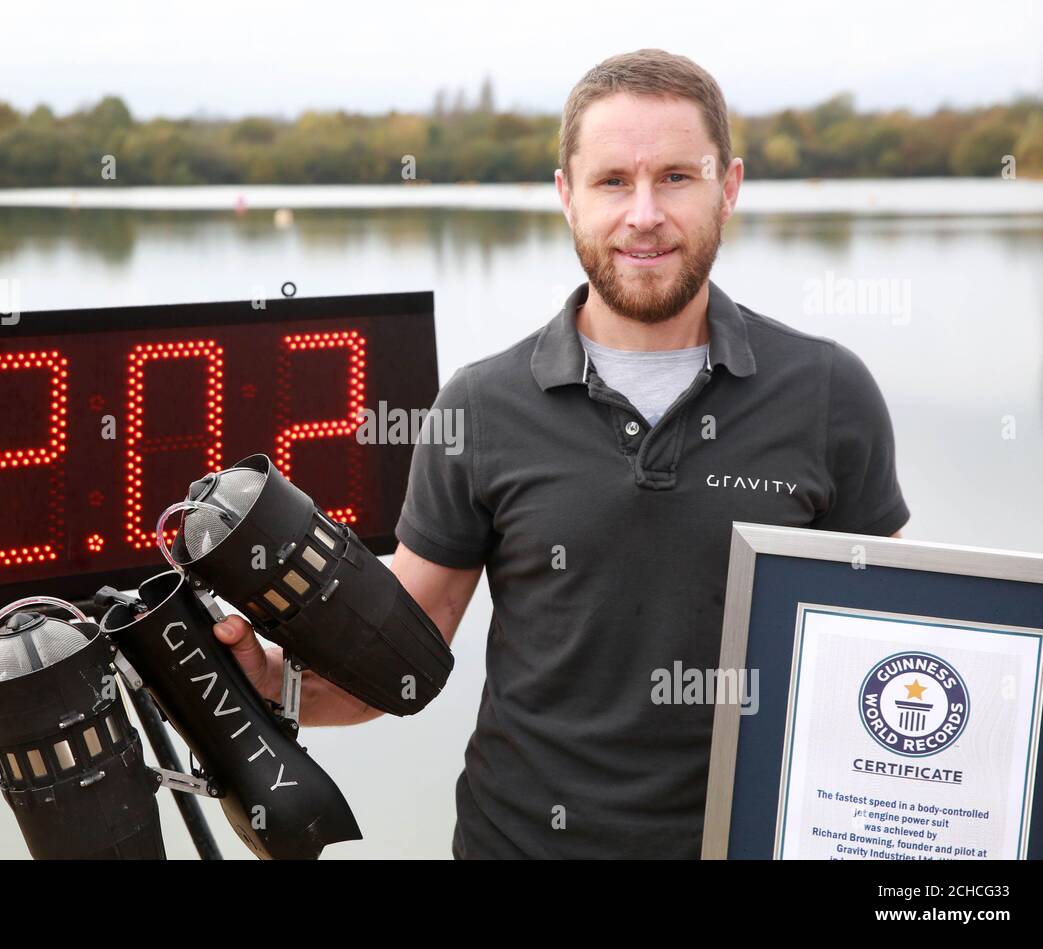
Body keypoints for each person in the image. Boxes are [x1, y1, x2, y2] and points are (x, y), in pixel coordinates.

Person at [211, 48, 910, 858]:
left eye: (676, 177)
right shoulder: (479, 405)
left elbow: (894, 646)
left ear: (729, 188)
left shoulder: (829, 393)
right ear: (565, 197)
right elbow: (403, 650)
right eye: (613, 181)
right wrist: (276, 684)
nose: (644, 214)